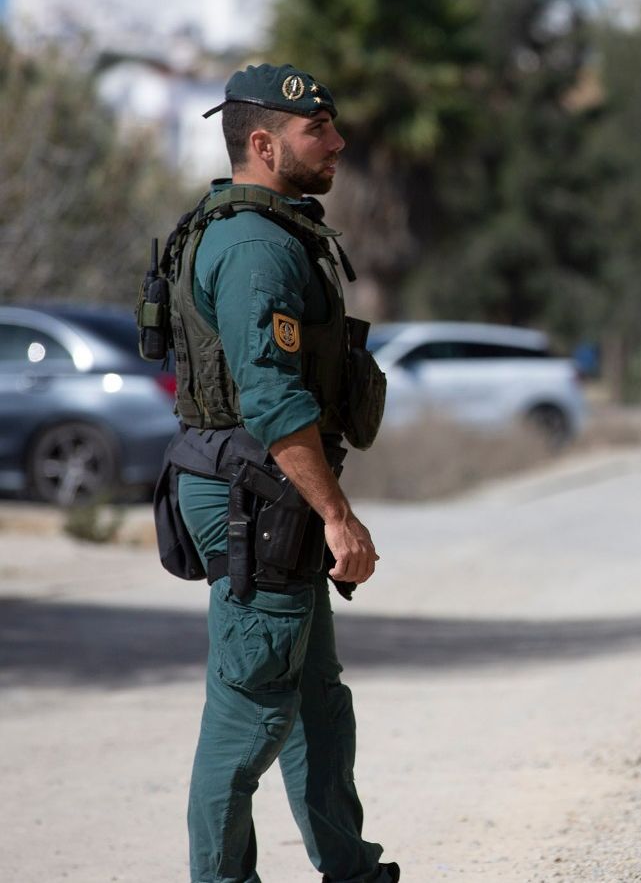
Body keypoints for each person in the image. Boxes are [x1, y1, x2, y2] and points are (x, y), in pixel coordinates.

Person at [143, 64, 397, 883]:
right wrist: (337, 516)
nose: (338, 142)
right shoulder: (255, 247)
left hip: (268, 490)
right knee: (249, 711)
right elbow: (270, 397)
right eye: (317, 129)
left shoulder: (266, 230)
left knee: (316, 702)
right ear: (264, 143)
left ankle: (351, 870)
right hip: (257, 495)